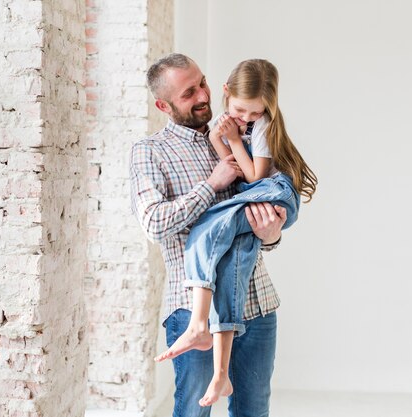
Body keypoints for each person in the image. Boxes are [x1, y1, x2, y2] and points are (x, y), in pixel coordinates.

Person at [130, 53, 293, 416]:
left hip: (256, 303)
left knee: (254, 410)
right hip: (193, 312)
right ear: (163, 104)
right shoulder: (149, 152)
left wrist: (272, 233)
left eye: (202, 83)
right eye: (189, 93)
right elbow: (154, 223)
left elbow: (261, 209)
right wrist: (211, 185)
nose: (203, 95)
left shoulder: (241, 131)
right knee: (194, 411)